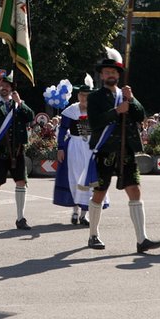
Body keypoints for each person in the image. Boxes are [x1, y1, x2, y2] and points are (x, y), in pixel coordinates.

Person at [81, 48, 160, 253]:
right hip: (105, 150)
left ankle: (142, 239)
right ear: (101, 75)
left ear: (118, 75)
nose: (111, 75)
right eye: (107, 72)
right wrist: (116, 111)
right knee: (99, 192)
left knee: (134, 190)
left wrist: (132, 99)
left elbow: (139, 115)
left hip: (125, 150)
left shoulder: (125, 94)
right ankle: (93, 235)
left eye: (114, 72)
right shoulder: (95, 98)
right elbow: (95, 122)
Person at [0, 71, 35, 230]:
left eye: (7, 85)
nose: (4, 88)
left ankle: (20, 218)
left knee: (21, 182)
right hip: (0, 150)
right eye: (2, 85)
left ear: (12, 88)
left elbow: (30, 116)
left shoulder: (18, 104)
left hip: (17, 150)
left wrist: (21, 103)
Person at [53, 75, 108, 225]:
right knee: (76, 178)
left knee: (90, 180)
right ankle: (75, 212)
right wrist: (60, 148)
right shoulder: (70, 111)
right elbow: (63, 131)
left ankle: (85, 214)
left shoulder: (96, 111)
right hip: (75, 147)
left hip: (91, 148)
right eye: (82, 95)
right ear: (78, 96)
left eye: (88, 96)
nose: (85, 98)